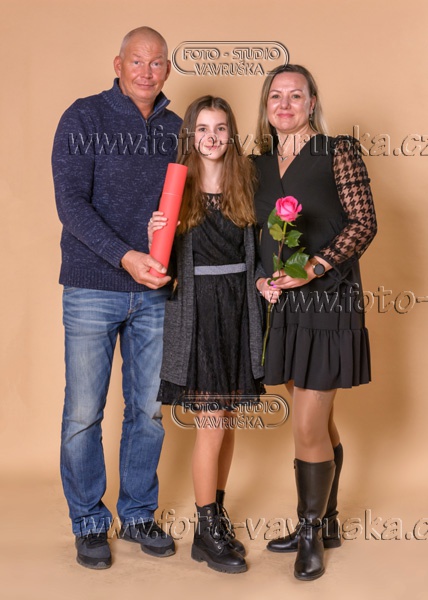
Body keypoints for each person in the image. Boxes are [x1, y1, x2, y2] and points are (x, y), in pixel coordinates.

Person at [52, 26, 182, 569]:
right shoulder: (84, 117)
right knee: (84, 411)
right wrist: (125, 256)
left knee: (148, 411)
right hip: (92, 286)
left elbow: (188, 208)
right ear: (118, 64)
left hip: (155, 292)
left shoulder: (178, 129)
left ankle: (138, 514)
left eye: (157, 63)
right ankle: (88, 522)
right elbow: (71, 205)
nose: (147, 72)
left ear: (167, 69)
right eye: (137, 61)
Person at [253, 64, 377, 580]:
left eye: (295, 95)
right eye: (276, 96)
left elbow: (364, 222)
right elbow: (252, 235)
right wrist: (261, 279)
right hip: (282, 308)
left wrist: (315, 267)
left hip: (328, 301)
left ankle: (309, 536)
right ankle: (326, 522)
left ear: (311, 102)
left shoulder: (337, 151)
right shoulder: (257, 164)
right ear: (266, 106)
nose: (285, 105)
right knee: (318, 422)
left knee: (305, 424)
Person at [149, 96, 267, 574]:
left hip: (238, 310)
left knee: (228, 420)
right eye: (202, 128)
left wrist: (265, 281)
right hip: (198, 313)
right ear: (190, 136)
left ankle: (215, 515)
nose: (212, 137)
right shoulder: (178, 186)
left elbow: (259, 252)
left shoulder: (247, 182)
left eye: (220, 128)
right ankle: (204, 529)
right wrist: (156, 230)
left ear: (231, 134)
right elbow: (161, 262)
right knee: (212, 422)